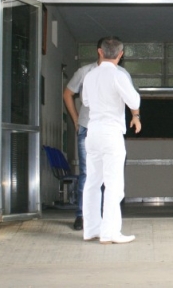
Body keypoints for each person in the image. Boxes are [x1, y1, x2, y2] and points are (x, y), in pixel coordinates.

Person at [63, 38, 133, 231]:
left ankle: (106, 220)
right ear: (99, 52)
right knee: (89, 173)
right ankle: (83, 216)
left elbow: (129, 100)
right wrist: (76, 120)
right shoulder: (85, 72)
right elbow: (68, 93)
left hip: (110, 130)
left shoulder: (122, 74)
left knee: (108, 175)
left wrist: (135, 115)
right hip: (88, 128)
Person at [81, 36, 141, 244]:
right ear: (121, 54)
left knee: (92, 182)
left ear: (100, 52)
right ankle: (110, 233)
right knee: (113, 184)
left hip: (93, 132)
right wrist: (136, 115)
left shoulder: (89, 76)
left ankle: (91, 230)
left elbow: (86, 101)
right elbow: (133, 100)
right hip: (111, 133)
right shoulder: (118, 75)